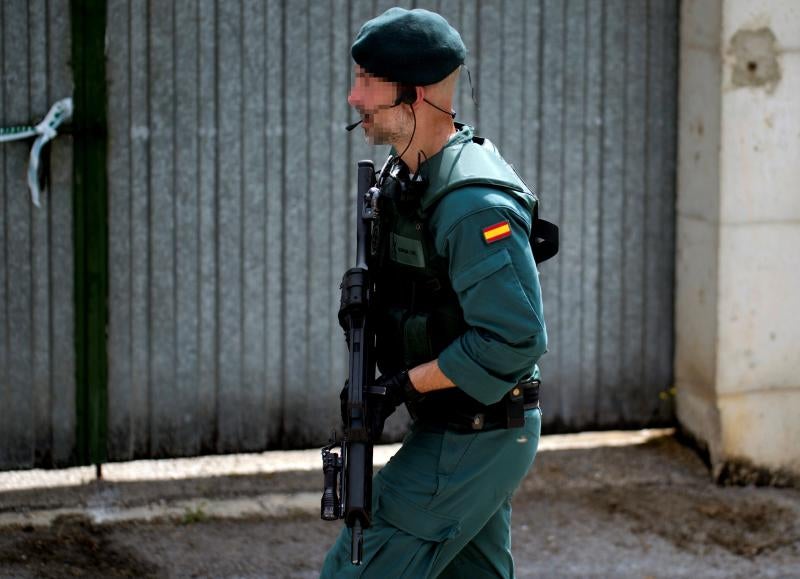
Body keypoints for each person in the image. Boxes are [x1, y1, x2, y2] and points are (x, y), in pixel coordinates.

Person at [321, 7, 548, 578]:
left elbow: (514, 339)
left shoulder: (474, 204)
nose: (354, 97)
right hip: (455, 424)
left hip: (476, 434)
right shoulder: (409, 176)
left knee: (352, 573)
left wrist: (400, 384)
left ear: (414, 95)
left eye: (368, 82)